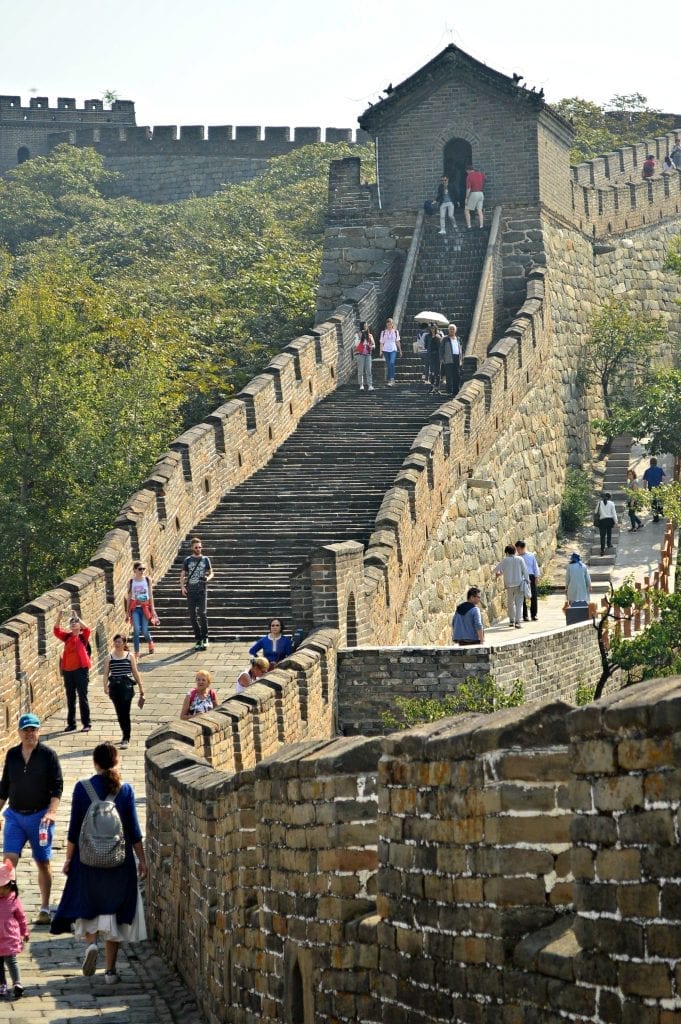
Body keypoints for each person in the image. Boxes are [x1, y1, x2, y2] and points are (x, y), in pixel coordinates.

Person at [50, 742, 147, 985]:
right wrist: (142, 860)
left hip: (87, 859)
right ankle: (110, 972)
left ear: (95, 762)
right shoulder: (124, 791)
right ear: (116, 762)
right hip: (118, 861)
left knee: (89, 906)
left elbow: (74, 830)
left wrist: (69, 859)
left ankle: (91, 945)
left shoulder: (82, 789)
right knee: (113, 913)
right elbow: (134, 831)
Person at [0, 713, 63, 926]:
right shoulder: (12, 755)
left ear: (39, 731)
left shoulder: (48, 756)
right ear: (18, 732)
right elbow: (4, 788)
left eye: (33, 729)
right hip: (15, 816)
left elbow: (57, 787)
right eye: (26, 730)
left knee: (42, 862)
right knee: (8, 864)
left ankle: (45, 909)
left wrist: (51, 812)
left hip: (40, 817)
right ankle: (11, 909)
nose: (30, 733)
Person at [102, 635, 146, 750]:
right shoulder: (109, 658)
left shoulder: (129, 656)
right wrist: (105, 686)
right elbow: (106, 673)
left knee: (125, 712)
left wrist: (141, 687)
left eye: (119, 642)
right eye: (115, 642)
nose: (117, 644)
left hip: (126, 687)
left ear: (124, 643)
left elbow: (135, 672)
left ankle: (126, 737)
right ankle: (124, 733)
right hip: (115, 688)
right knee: (119, 712)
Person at [53, 610, 92, 733]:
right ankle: (72, 724)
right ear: (69, 626)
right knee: (70, 698)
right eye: (72, 622)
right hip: (68, 671)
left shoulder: (82, 637)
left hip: (80, 671)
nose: (74, 623)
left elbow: (88, 629)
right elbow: (56, 631)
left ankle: (86, 723)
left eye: (76, 622)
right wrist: (59, 617)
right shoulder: (68, 637)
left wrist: (77, 618)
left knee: (82, 697)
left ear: (79, 625)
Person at [0, 859, 29, 999]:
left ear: (10, 886)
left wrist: (25, 931)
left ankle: (17, 983)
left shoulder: (13, 899)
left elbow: (21, 917)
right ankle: (2, 984)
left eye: (2, 888)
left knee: (11, 961)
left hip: (10, 936)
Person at [180, 537, 214, 651]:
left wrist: (208, 578)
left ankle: (205, 637)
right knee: (192, 616)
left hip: (202, 590)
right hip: (190, 591)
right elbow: (183, 574)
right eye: (196, 547)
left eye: (200, 547)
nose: (198, 549)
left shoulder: (205, 559)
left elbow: (211, 572)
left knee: (202, 613)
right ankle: (198, 639)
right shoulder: (187, 560)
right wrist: (182, 587)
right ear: (192, 548)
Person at [125, 561, 157, 659]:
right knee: (136, 630)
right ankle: (137, 653)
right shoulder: (131, 581)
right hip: (135, 608)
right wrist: (127, 612)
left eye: (143, 569)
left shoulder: (147, 580)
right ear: (135, 570)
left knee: (144, 629)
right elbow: (129, 597)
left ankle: (150, 641)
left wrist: (153, 609)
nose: (142, 571)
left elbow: (150, 595)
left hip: (145, 607)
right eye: (140, 569)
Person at [494, 544, 530, 628]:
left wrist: (496, 573)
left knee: (510, 603)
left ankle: (511, 620)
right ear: (515, 551)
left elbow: (497, 569)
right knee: (519, 604)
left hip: (509, 585)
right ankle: (517, 622)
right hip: (519, 584)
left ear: (507, 552)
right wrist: (528, 581)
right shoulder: (520, 559)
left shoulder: (505, 560)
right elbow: (525, 570)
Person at [515, 540, 541, 622]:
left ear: (523, 548)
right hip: (520, 578)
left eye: (518, 549)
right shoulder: (516, 557)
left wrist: (537, 577)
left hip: (531, 577)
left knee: (533, 595)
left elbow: (535, 566)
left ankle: (534, 614)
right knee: (521, 597)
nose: (517, 550)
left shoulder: (531, 555)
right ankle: (525, 616)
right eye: (516, 549)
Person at [379, 317, 402, 387]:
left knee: (392, 362)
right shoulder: (383, 332)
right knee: (389, 364)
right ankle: (390, 379)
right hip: (385, 350)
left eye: (391, 324)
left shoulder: (395, 332)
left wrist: (400, 350)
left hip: (393, 349)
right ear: (386, 324)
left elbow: (398, 341)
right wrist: (380, 351)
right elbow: (381, 342)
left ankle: (392, 378)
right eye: (388, 324)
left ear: (392, 324)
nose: (389, 325)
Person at [643, 457, 666, 522]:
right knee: (660, 500)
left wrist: (644, 490)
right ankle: (661, 511)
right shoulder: (660, 469)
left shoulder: (647, 471)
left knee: (653, 502)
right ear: (656, 463)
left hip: (651, 488)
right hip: (659, 487)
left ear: (650, 463)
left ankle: (656, 518)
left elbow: (645, 481)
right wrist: (664, 486)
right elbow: (664, 478)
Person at [441, 323, 462, 397]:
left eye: (453, 329)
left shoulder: (458, 339)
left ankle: (456, 391)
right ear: (448, 330)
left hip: (457, 358)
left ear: (455, 330)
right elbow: (441, 349)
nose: (452, 330)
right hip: (449, 359)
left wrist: (461, 359)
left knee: (457, 375)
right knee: (449, 375)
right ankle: (449, 391)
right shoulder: (445, 339)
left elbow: (460, 349)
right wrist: (443, 358)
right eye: (450, 329)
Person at [354, 321, 375, 391]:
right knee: (360, 370)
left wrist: (372, 346)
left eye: (366, 326)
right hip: (360, 354)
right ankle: (361, 385)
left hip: (368, 354)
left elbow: (374, 344)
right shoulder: (357, 335)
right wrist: (360, 338)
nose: (366, 327)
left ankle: (370, 385)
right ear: (361, 327)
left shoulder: (370, 335)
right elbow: (356, 345)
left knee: (368, 370)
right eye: (364, 326)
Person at [464, 164, 486, 228]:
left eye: (467, 172)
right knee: (479, 210)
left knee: (466, 210)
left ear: (468, 170)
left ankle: (469, 226)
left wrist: (466, 198)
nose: (467, 173)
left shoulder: (469, 176)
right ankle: (481, 225)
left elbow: (468, 188)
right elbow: (484, 179)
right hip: (481, 193)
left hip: (474, 193)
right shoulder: (480, 174)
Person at [425, 323, 443, 393]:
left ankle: (437, 387)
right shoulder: (427, 336)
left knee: (438, 372)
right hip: (431, 355)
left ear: (436, 329)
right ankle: (432, 385)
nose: (432, 330)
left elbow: (440, 347)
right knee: (432, 371)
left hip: (437, 356)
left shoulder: (439, 336)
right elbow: (426, 345)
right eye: (431, 328)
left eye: (434, 328)